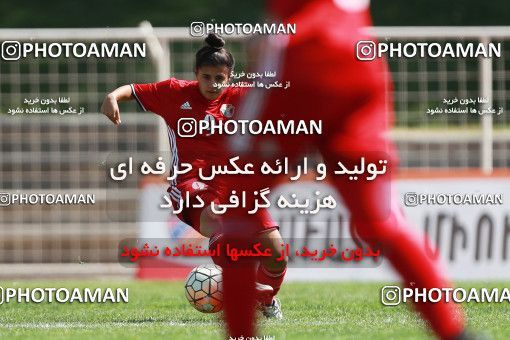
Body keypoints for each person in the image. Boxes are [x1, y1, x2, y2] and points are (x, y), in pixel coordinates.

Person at [220, 0, 471, 339]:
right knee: (379, 219)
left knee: (239, 208)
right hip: (359, 56)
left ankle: (241, 335)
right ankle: (455, 333)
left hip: (298, 54)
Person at [100, 33, 287, 321]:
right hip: (191, 184)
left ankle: (265, 300)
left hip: (235, 184)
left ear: (230, 77)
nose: (213, 84)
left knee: (276, 251)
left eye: (220, 78)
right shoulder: (175, 92)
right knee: (220, 218)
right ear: (195, 75)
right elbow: (133, 90)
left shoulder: (242, 97)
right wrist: (112, 96)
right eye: (207, 77)